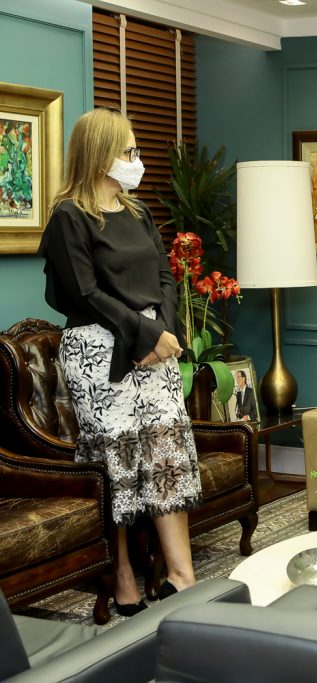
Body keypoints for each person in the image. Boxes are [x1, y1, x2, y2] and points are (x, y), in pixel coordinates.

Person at [37, 108, 201, 615]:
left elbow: (166, 277)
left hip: (155, 346)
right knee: (118, 460)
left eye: (135, 150)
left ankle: (183, 577)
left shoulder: (138, 212)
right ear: (99, 154)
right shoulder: (69, 216)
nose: (136, 159)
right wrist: (146, 334)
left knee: (167, 453)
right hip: (97, 350)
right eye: (128, 151)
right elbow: (84, 293)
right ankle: (122, 572)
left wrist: (164, 332)